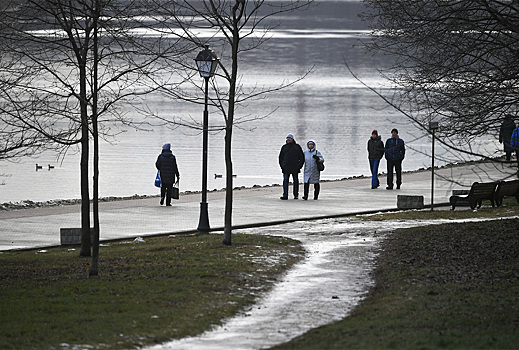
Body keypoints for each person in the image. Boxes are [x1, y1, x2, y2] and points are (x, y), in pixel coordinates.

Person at [278, 133, 304, 200]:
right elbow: (280, 157)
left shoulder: (297, 147)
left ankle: (296, 195)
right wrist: (282, 166)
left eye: (289, 138)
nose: (288, 139)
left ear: (292, 139)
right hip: (286, 167)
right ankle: (285, 195)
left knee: (295, 181)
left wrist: (299, 166)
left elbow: (302, 158)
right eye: (287, 138)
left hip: (295, 167)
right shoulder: (284, 147)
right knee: (285, 181)